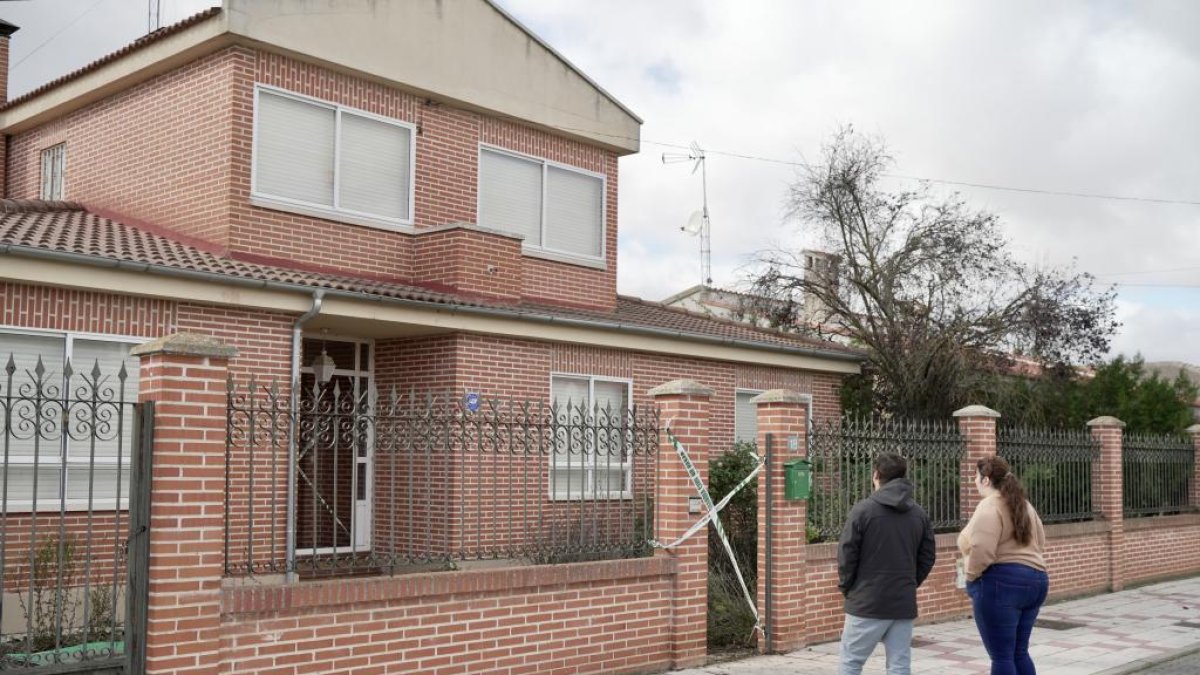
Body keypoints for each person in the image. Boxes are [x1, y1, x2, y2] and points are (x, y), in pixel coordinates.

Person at [837, 452, 937, 675]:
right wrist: (909, 582)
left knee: (851, 662)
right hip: (902, 602)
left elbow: (846, 554)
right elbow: (928, 556)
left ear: (876, 475)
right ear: (904, 477)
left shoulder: (862, 511)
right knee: (899, 665)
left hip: (866, 602)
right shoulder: (919, 514)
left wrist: (848, 587)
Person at [958, 455, 1049, 675]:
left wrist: (970, 578)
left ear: (986, 480)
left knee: (1002, 656)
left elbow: (981, 549)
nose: (974, 481)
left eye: (976, 477)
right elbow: (1041, 541)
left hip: (1002, 584)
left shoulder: (989, 505)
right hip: (1037, 580)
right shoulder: (1024, 505)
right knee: (1019, 652)